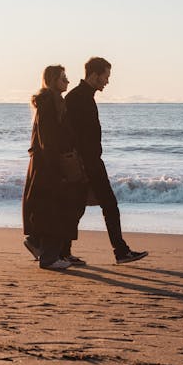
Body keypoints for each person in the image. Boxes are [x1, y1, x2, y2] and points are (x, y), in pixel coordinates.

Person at [65, 57, 148, 264]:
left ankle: (63, 251)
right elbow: (72, 134)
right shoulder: (77, 98)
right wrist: (81, 163)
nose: (107, 82)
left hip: (90, 160)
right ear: (94, 75)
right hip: (88, 162)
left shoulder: (83, 96)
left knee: (78, 207)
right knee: (106, 205)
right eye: (105, 77)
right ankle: (120, 251)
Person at [22, 65, 86, 271]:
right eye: (63, 78)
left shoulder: (52, 102)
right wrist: (57, 169)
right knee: (56, 210)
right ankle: (49, 257)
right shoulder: (50, 103)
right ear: (52, 80)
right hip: (50, 166)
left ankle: (37, 243)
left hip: (47, 165)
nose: (67, 81)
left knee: (49, 208)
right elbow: (47, 140)